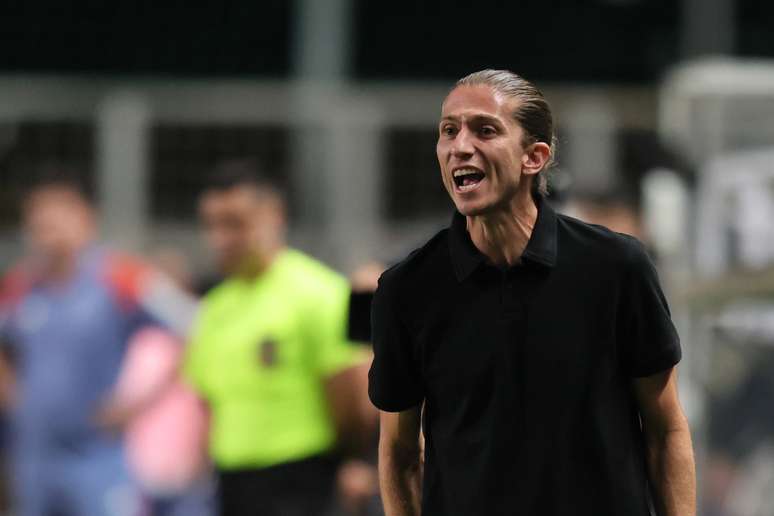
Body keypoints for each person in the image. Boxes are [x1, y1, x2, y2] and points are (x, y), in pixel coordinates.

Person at [368, 70, 696, 516]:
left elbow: (666, 429)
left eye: (485, 130)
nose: (460, 146)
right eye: (449, 131)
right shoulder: (406, 289)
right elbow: (399, 452)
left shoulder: (617, 267)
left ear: (534, 157)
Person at [0, 169, 195, 516]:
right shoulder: (20, 285)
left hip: (97, 454)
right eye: (38, 216)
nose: (47, 225)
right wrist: (12, 395)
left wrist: (136, 405)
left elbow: (194, 327)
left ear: (86, 218)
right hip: (34, 456)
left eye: (58, 214)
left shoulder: (121, 276)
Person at [184, 160, 372, 516]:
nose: (221, 238)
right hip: (232, 485)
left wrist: (350, 463)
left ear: (273, 216)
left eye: (234, 223)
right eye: (211, 225)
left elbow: (355, 404)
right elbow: (208, 403)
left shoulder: (321, 293)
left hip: (302, 484)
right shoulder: (213, 309)